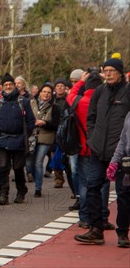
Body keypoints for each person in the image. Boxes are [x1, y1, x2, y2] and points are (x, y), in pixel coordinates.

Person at [75, 58, 130, 245]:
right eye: (105, 70)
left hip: (122, 153)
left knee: (123, 194)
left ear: (120, 73)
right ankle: (96, 229)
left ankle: (123, 233)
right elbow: (91, 118)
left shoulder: (128, 92)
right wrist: (92, 139)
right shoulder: (100, 92)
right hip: (98, 150)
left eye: (112, 70)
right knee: (92, 187)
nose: (107, 74)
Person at [68, 71, 108, 229]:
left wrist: (80, 81)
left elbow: (70, 94)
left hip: (84, 149)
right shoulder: (105, 103)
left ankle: (84, 218)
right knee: (103, 185)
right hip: (102, 150)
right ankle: (102, 217)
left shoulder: (79, 101)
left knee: (85, 184)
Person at [0, 73, 35, 205]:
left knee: (18, 168)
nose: (8, 86)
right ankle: (3, 194)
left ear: (14, 85)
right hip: (2, 140)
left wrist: (25, 135)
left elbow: (30, 121)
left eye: (10, 84)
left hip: (18, 140)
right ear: (2, 86)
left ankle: (21, 191)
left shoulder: (23, 102)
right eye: (5, 84)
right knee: (3, 168)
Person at [26, 83, 61, 196]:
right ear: (39, 93)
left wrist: (44, 123)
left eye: (48, 92)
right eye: (44, 91)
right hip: (31, 136)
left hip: (45, 137)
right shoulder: (30, 103)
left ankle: (38, 188)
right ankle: (34, 178)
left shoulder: (55, 107)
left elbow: (56, 125)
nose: (46, 94)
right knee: (29, 163)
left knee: (38, 162)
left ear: (51, 95)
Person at [107, 111, 130, 248]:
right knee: (123, 199)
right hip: (126, 164)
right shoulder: (128, 114)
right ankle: (122, 233)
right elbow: (123, 140)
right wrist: (114, 161)